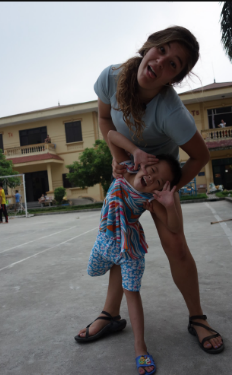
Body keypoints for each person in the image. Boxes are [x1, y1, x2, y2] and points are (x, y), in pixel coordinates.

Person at [76, 25, 224, 368]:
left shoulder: (171, 112)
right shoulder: (111, 79)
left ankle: (197, 318)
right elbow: (103, 118)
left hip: (159, 174)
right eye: (162, 50)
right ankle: (110, 314)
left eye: (174, 64)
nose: (161, 61)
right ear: (149, 47)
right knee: (116, 239)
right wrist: (119, 162)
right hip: (129, 167)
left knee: (177, 246)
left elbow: (201, 157)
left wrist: (167, 190)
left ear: (175, 78)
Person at [75, 129, 183, 374]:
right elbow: (111, 135)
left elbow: (174, 226)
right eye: (151, 170)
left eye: (156, 182)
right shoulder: (124, 167)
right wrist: (136, 152)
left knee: (131, 292)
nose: (150, 177)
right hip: (105, 242)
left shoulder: (149, 200)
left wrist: (168, 204)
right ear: (144, 164)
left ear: (157, 191)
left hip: (130, 251)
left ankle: (140, 348)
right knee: (93, 269)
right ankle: (110, 316)